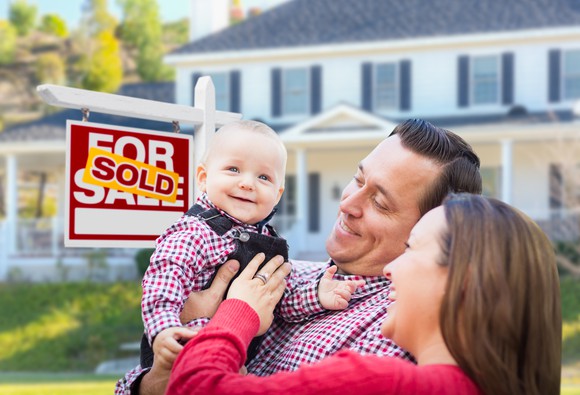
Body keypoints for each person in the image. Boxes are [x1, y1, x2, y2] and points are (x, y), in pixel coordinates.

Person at [117, 119, 483, 394]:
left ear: (432, 226)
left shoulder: (394, 333)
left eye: (380, 203)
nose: (348, 204)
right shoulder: (292, 276)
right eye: (358, 180)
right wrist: (154, 377)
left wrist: (230, 316)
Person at [165, 193, 562, 395]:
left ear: (463, 281)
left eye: (411, 249)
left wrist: (236, 312)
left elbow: (195, 388)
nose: (391, 269)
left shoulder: (379, 382)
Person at [116, 120, 362, 394]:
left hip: (233, 363)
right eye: (233, 169)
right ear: (203, 178)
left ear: (278, 194)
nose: (247, 183)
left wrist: (317, 295)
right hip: (184, 347)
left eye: (264, 177)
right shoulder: (195, 231)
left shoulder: (270, 242)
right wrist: (164, 330)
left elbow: (279, 300)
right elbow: (163, 282)